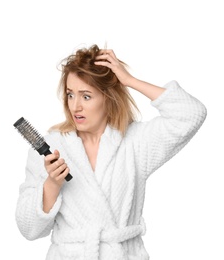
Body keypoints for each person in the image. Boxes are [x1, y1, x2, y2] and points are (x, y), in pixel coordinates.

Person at [15, 44, 207, 260]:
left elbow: (191, 113)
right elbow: (28, 228)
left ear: (108, 97)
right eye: (70, 95)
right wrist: (51, 184)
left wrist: (129, 81)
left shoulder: (134, 142)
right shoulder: (50, 148)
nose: (75, 106)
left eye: (86, 96)